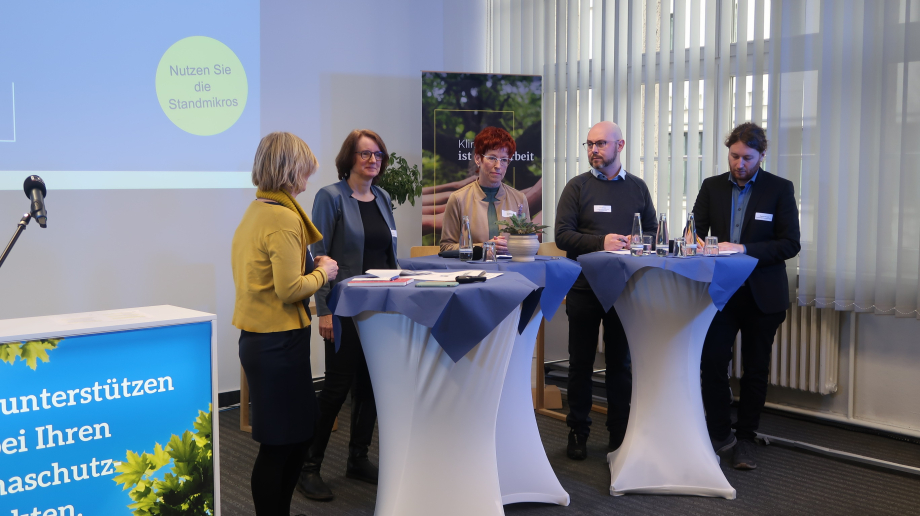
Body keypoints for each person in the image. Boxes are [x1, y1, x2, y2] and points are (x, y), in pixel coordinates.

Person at [231, 132, 339, 516]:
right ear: (290, 171)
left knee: (295, 438)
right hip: (277, 344)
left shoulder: (258, 210)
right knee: (280, 445)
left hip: (267, 342)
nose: (307, 181)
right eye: (305, 172)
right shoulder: (281, 218)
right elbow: (290, 289)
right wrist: (325, 271)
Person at [692, 122, 801, 470]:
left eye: (747, 158)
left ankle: (747, 438)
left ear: (762, 155)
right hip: (721, 292)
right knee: (711, 361)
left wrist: (742, 248)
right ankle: (720, 435)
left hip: (762, 295)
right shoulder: (712, 187)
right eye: (734, 156)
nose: (739, 164)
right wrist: (695, 243)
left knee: (755, 370)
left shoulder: (779, 189)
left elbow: (790, 244)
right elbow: (693, 230)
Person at [297, 129, 399, 501]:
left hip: (379, 308)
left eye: (378, 155)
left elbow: (389, 255)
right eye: (365, 155)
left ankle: (358, 458)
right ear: (349, 159)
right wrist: (324, 311)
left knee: (372, 386)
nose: (373, 161)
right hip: (341, 307)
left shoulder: (383, 197)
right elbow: (318, 255)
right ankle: (309, 467)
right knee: (337, 388)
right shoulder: (330, 197)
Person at [554, 121, 657, 460]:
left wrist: (637, 243)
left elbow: (653, 235)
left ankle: (618, 435)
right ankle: (578, 431)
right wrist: (603, 241)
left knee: (620, 365)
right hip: (583, 287)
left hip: (625, 291)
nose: (593, 150)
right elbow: (563, 237)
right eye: (589, 144)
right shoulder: (577, 187)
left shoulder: (638, 189)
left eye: (600, 144)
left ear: (620, 146)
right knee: (580, 362)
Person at [439, 126, 531, 253]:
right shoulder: (458, 199)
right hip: (472, 271)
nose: (498, 166)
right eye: (492, 158)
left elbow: (528, 245)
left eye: (504, 160)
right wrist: (483, 247)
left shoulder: (519, 199)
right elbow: (446, 248)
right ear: (478, 159)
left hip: (512, 270)